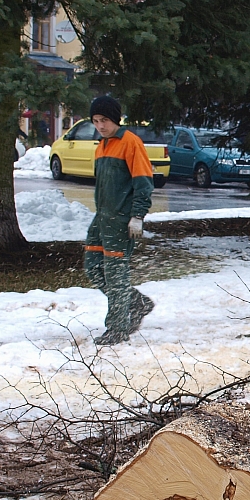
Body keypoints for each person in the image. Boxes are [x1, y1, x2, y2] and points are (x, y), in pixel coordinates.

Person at [83, 95, 154, 346]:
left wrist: (137, 216)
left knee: (115, 275)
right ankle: (136, 302)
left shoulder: (130, 142)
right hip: (102, 218)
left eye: (104, 120)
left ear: (115, 118)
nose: (100, 125)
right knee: (93, 267)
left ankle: (117, 328)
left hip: (121, 220)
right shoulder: (102, 146)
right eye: (95, 121)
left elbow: (143, 182)